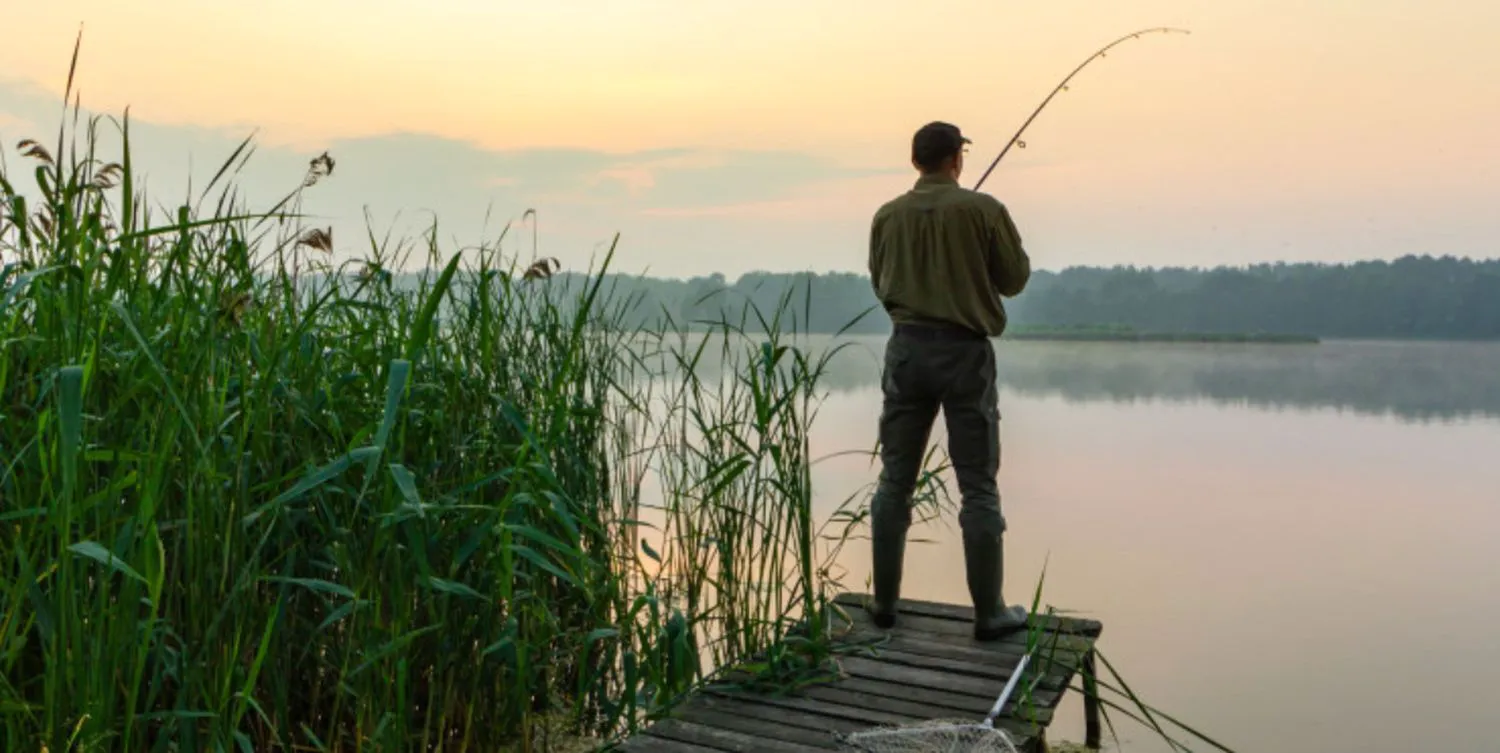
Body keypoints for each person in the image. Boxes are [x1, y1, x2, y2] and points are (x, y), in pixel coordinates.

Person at [865, 121, 1033, 640]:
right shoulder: (985, 211)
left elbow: (880, 281)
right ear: (956, 159)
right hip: (965, 354)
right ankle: (989, 614)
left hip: (907, 351)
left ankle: (885, 605)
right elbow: (1015, 280)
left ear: (917, 160)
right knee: (978, 486)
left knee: (895, 479)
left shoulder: (886, 216)